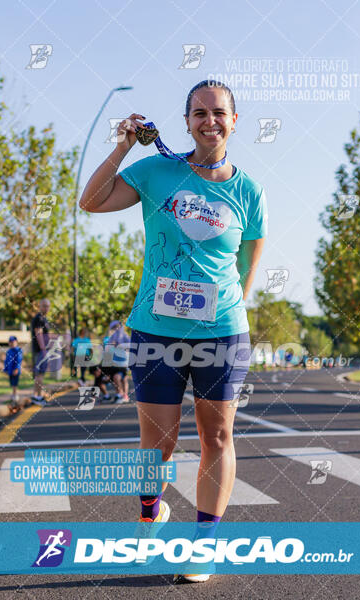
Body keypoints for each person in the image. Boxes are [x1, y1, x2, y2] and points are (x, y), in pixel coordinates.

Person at [79, 80, 267, 583]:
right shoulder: (156, 170)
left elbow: (247, 265)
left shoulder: (249, 191)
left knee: (218, 436)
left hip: (221, 333)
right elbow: (91, 201)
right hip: (155, 331)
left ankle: (203, 545)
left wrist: (221, 312)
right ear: (185, 122)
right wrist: (121, 145)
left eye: (219, 113)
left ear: (233, 120)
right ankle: (151, 513)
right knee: (157, 442)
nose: (210, 121)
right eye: (199, 113)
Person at [31, 299, 51, 406]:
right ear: (40, 306)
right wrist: (43, 350)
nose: (46, 308)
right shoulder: (39, 319)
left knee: (41, 375)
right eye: (44, 306)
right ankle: (37, 397)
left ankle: (37, 396)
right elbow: (38, 334)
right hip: (40, 351)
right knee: (39, 375)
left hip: (43, 351)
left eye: (48, 306)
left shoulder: (44, 319)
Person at [103, 320, 130, 404]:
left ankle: (124, 395)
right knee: (115, 378)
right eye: (114, 327)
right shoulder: (112, 337)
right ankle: (119, 394)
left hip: (124, 362)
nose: (116, 329)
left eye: (116, 326)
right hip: (114, 362)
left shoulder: (125, 336)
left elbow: (130, 347)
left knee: (123, 379)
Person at [3, 335, 23, 403]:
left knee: (15, 383)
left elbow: (19, 360)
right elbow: (6, 361)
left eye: (13, 342)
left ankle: (15, 395)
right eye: (10, 342)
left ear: (16, 342)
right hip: (10, 370)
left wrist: (17, 368)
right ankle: (14, 395)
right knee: (12, 383)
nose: (12, 343)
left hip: (15, 370)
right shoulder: (9, 351)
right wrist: (5, 369)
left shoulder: (18, 350)